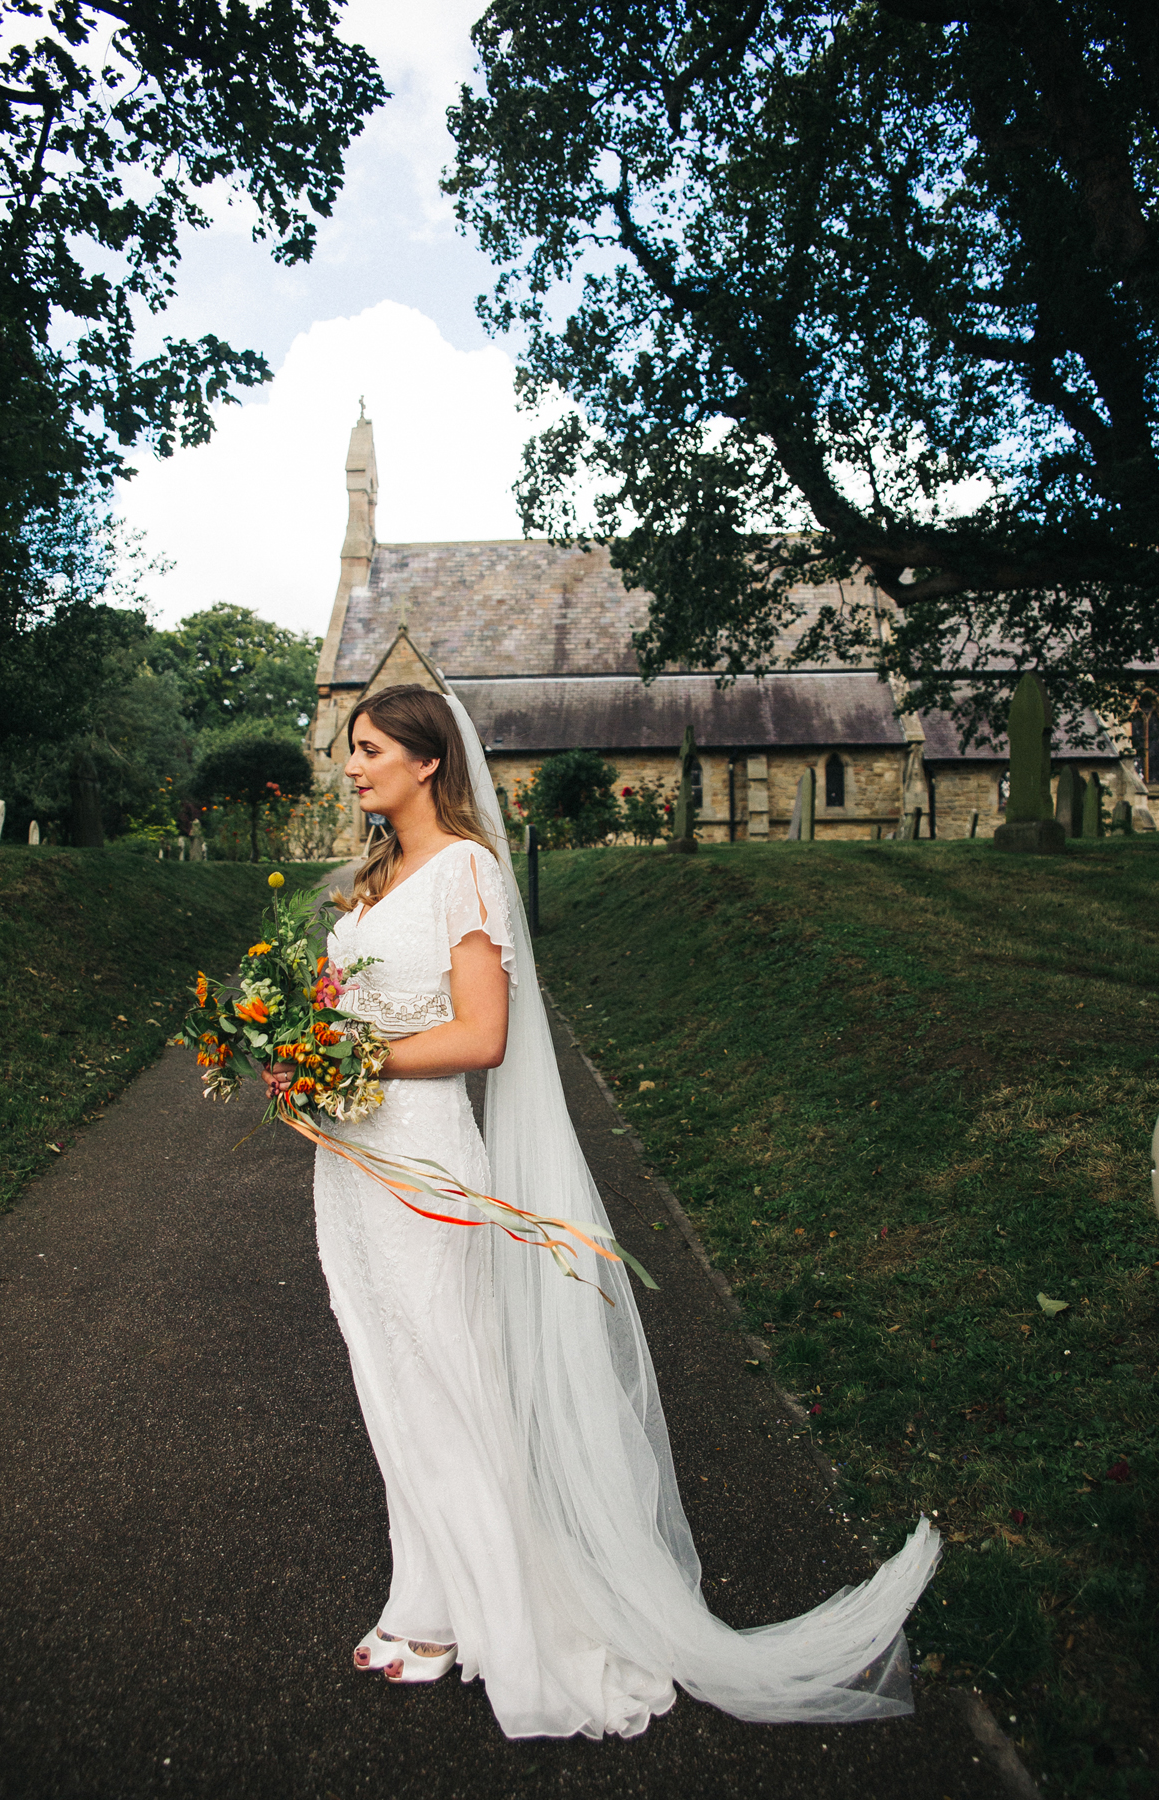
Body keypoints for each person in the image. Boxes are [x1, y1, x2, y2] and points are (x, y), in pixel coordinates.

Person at [263, 683, 940, 1740]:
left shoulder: (468, 874)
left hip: (425, 1161)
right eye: (350, 750)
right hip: (350, 1167)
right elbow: (341, 1009)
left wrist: (342, 1058)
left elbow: (481, 1037)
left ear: (427, 760)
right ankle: (427, 1596)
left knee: (451, 1375)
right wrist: (293, 1057)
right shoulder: (372, 881)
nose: (351, 767)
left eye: (368, 749)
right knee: (389, 1377)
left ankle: (477, 1616)